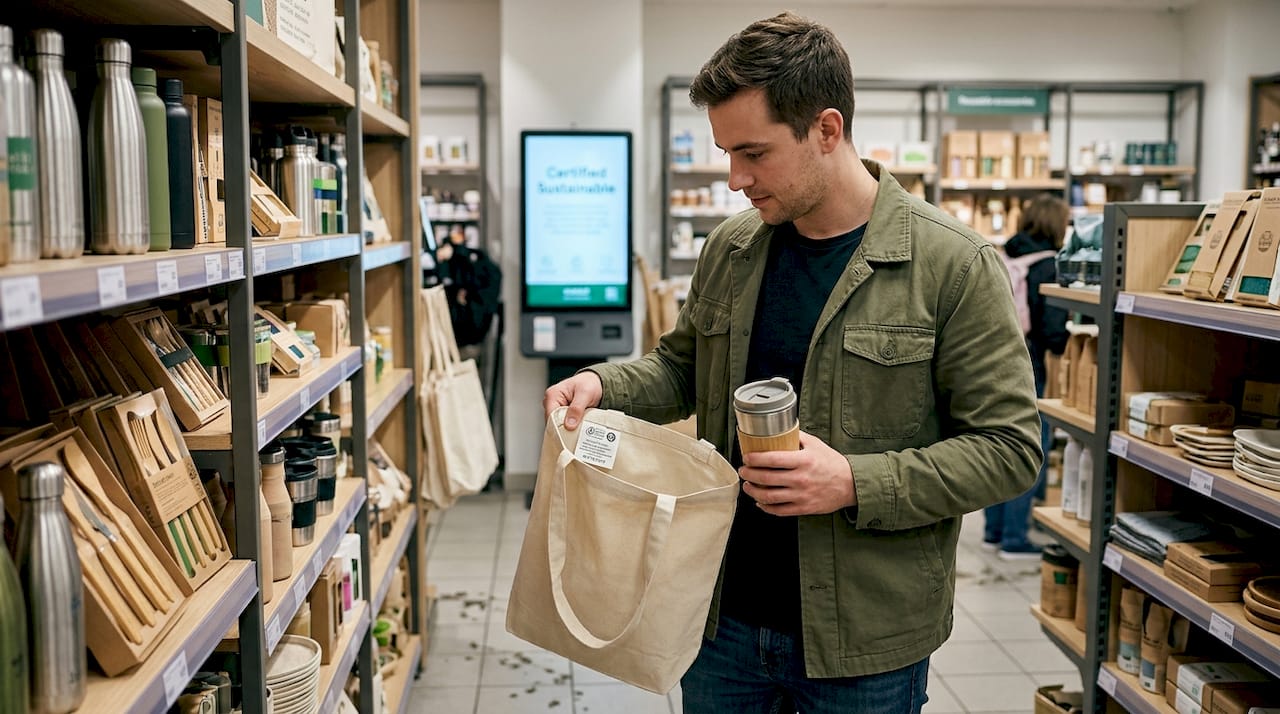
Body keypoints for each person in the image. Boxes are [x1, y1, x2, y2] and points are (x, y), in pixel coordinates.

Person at [542, 12, 1041, 713]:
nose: (735, 178)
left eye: (754, 153)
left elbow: (1010, 450)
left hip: (864, 642)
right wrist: (602, 381)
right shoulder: (733, 248)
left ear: (827, 130)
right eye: (727, 154)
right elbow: (681, 368)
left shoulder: (951, 265)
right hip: (723, 623)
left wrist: (854, 482)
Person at [983, 194, 1071, 560]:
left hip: (991, 362)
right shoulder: (1047, 265)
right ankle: (1015, 538)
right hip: (1027, 365)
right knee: (1028, 447)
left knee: (993, 443)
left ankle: (994, 529)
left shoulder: (1006, 253)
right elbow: (1052, 329)